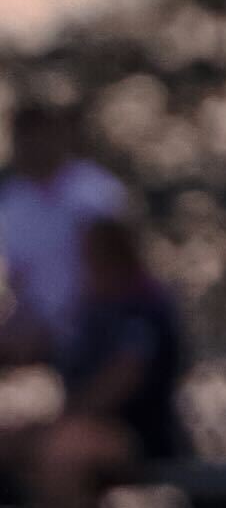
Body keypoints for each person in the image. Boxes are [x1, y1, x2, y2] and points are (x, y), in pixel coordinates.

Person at [32, 218, 186, 508]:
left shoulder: (145, 303)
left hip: (141, 435)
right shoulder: (90, 308)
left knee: (60, 453)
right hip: (80, 425)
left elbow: (123, 378)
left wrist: (68, 416)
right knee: (19, 443)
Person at [0, 101, 126, 359]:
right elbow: (19, 280)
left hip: (100, 325)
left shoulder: (96, 191)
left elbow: (110, 271)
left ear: (59, 136)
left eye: (38, 135)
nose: (31, 146)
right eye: (23, 137)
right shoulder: (12, 200)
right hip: (41, 332)